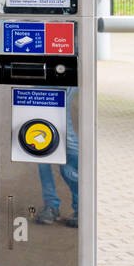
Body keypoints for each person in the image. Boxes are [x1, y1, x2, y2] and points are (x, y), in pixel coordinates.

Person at [35, 97, 78, 227]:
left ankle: (81, 204)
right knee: (40, 145)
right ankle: (51, 205)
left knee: (66, 137)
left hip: (64, 79)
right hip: (39, 80)